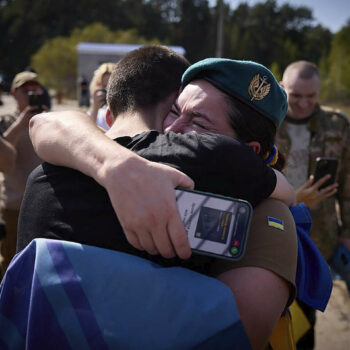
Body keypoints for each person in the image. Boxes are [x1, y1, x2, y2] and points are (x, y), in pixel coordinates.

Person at [23, 48, 297, 349]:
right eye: (176, 111)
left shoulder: (43, 176)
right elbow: (242, 332)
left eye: (199, 124)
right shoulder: (212, 163)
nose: (172, 129)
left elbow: (44, 123)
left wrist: (113, 164)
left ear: (250, 152)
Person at [276, 60, 350, 349]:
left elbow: (347, 183)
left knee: (307, 313)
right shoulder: (265, 120)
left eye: (311, 96)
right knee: (273, 309)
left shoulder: (338, 125)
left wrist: (347, 231)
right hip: (274, 230)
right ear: (282, 88)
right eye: (296, 96)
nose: (304, 103)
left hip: (318, 237)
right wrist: (297, 199)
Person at [0, 71, 46, 273]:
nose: (30, 93)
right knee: (10, 260)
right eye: (24, 90)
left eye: (34, 89)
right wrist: (21, 122)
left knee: (38, 265)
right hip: (13, 203)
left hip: (41, 204)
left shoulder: (48, 120)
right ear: (13, 93)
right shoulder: (7, 121)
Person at [87, 62, 115, 130]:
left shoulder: (125, 111)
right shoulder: (94, 112)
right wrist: (95, 108)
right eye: (104, 88)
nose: (107, 94)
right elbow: (88, 131)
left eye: (111, 88)